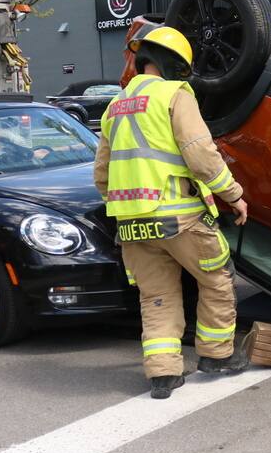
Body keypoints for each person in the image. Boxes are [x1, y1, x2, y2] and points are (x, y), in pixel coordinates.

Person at [94, 26, 250, 400]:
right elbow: (200, 153)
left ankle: (163, 375)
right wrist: (234, 194)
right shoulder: (174, 95)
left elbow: (102, 173)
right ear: (175, 65)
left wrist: (127, 203)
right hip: (178, 216)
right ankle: (216, 356)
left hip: (130, 224)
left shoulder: (115, 106)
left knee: (157, 295)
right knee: (217, 280)